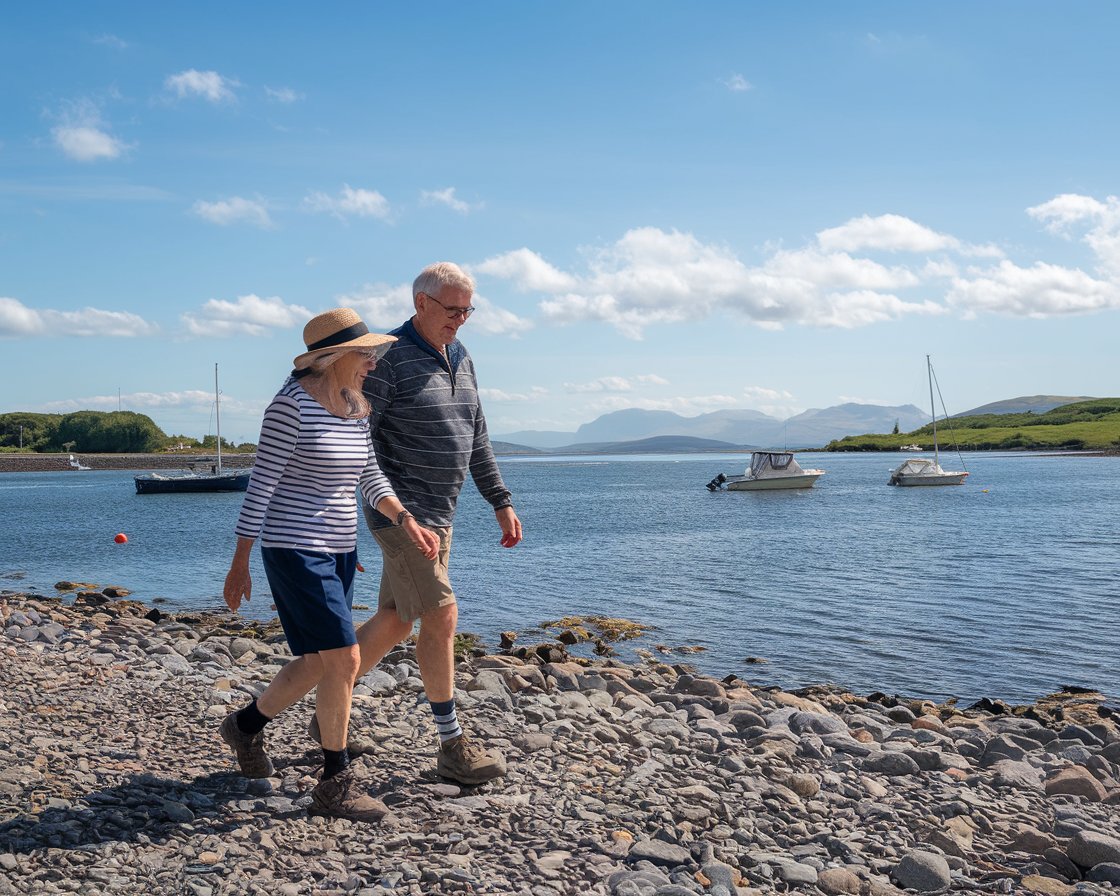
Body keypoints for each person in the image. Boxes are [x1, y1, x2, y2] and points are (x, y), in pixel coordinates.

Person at [219, 307, 441, 821]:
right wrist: (240, 562)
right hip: (293, 547)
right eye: (366, 353)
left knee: (319, 661)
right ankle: (334, 783)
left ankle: (245, 727)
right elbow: (261, 486)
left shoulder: (352, 405)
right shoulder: (290, 407)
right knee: (344, 659)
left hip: (340, 551)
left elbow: (369, 476)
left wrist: (406, 519)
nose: (373, 362)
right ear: (334, 357)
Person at [316, 261, 522, 785]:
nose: (461, 319)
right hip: (400, 515)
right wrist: (397, 512)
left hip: (441, 515)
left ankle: (322, 709)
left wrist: (499, 499)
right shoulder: (388, 361)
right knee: (442, 616)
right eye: (453, 310)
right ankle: (451, 745)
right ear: (421, 304)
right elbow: (360, 443)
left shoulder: (461, 356)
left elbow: (476, 433)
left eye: (468, 310)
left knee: (397, 618)